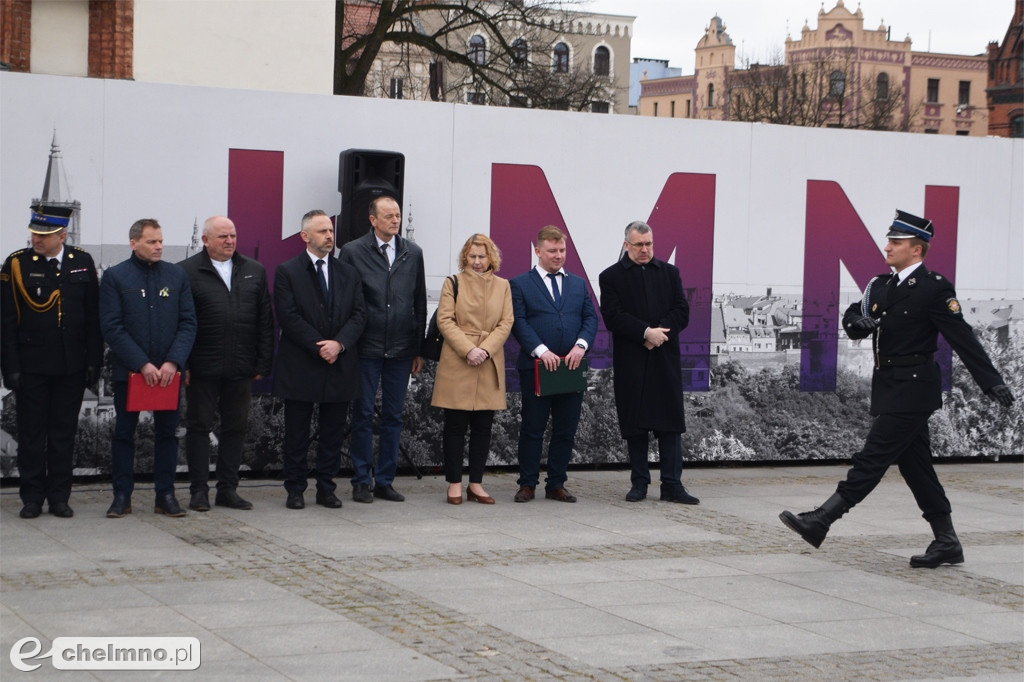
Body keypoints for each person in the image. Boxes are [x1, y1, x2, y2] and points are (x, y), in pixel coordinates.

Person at [780, 210, 1015, 568]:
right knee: (917, 468)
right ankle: (947, 541)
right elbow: (854, 315)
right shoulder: (880, 285)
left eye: (896, 242)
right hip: (888, 386)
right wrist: (857, 323)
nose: (887, 247)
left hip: (914, 388)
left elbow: (961, 336)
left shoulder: (935, 288)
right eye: (889, 240)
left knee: (873, 457)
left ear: (916, 250)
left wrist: (991, 380)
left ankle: (822, 519)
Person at [1, 205, 102, 519]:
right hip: (31, 366)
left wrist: (93, 362)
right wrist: (11, 367)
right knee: (31, 434)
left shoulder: (81, 262)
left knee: (63, 433)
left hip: (71, 366)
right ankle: (32, 496)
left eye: (44, 234)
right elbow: (5, 321)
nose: (36, 239)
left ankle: (59, 496)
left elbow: (92, 318)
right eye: (34, 233)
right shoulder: (16, 263)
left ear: (62, 235)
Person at [99, 218, 197, 518]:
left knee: (168, 434)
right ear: (134, 243)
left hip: (168, 374)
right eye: (152, 242)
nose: (159, 246)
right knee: (124, 435)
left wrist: (172, 361)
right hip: (129, 372)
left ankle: (165, 495)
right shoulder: (116, 277)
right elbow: (112, 328)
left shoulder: (175, 275)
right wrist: (142, 363)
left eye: (160, 241)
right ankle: (121, 496)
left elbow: (188, 323)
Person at [598, 221, 699, 505]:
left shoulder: (670, 273)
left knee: (670, 425)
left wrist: (658, 334)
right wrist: (645, 333)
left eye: (649, 244)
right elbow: (613, 316)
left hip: (664, 358)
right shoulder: (611, 277)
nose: (645, 250)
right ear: (627, 245)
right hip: (632, 358)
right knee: (636, 425)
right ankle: (639, 483)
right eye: (639, 245)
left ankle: (672, 485)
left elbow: (681, 310)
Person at [179, 216, 274, 512]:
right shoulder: (186, 272)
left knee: (235, 428)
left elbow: (265, 322)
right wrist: (183, 364)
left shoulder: (254, 271)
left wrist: (262, 361)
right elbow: (181, 323)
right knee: (198, 427)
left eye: (233, 235)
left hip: (241, 367)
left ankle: (228, 489)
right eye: (222, 236)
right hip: (202, 367)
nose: (230, 241)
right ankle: (198, 491)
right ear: (206, 240)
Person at [273, 210, 366, 510]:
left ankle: (326, 488)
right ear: (305, 236)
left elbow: (359, 314)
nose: (330, 236)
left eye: (330, 230)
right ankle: (295, 489)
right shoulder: (287, 272)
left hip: (339, 363)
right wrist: (320, 346)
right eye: (323, 231)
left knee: (332, 433)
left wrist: (339, 344)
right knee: (297, 433)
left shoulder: (348, 272)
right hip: (302, 364)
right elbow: (288, 317)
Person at [339, 195, 426, 503]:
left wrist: (418, 349)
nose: (395, 220)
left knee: (393, 416)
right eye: (388, 215)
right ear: (372, 219)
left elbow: (418, 302)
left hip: (402, 349)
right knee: (362, 415)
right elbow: (344, 300)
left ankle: (385, 480)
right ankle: (361, 479)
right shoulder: (352, 252)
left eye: (398, 215)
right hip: (365, 348)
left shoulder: (413, 253)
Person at [509, 225, 598, 503]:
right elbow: (518, 322)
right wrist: (541, 350)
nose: (558, 255)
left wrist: (581, 346)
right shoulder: (520, 283)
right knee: (533, 428)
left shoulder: (578, 283)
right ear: (538, 251)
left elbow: (590, 318)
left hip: (571, 368)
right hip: (537, 368)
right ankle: (527, 483)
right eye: (552, 251)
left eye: (561, 250)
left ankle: (556, 483)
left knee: (565, 429)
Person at [430, 234, 514, 505]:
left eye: (482, 256)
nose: (477, 262)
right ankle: (454, 483)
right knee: (455, 426)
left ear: (491, 258)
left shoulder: (503, 286)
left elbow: (506, 322)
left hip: (488, 362)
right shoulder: (452, 283)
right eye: (472, 256)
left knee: (483, 427)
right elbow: (445, 320)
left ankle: (475, 483)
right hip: (459, 360)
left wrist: (486, 350)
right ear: (465, 257)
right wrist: (469, 349)